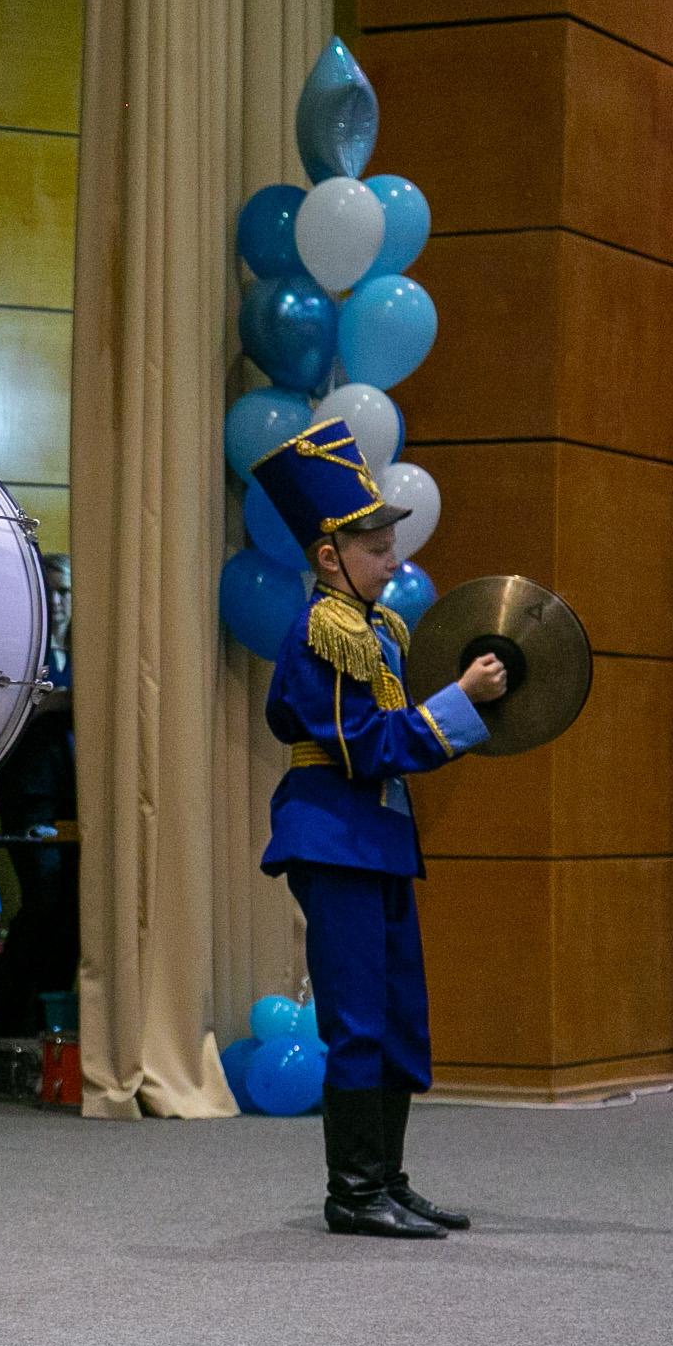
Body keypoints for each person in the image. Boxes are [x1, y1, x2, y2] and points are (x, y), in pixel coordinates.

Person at [252, 421, 507, 1240]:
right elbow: (365, 750)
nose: (393, 561)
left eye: (391, 544)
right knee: (358, 1015)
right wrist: (460, 701)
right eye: (375, 547)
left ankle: (386, 1180)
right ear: (330, 557)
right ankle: (353, 1192)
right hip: (333, 834)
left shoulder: (379, 633)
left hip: (378, 839)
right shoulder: (325, 632)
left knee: (397, 1014)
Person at [0, 553, 77, 1037]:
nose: (57, 600)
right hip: (30, 794)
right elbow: (16, 707)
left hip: (78, 795)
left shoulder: (85, 649)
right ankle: (12, 1022)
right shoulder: (17, 648)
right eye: (48, 590)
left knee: (72, 913)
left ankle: (52, 1023)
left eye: (65, 591)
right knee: (42, 900)